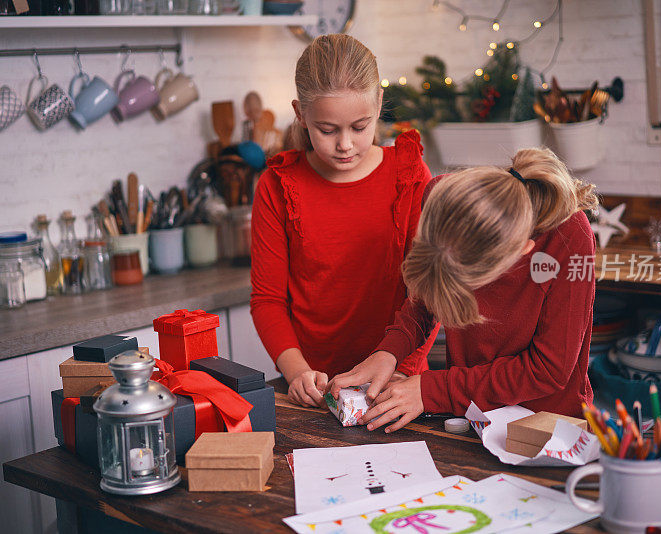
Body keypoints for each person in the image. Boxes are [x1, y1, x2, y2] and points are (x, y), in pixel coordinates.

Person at [328, 147, 599, 432]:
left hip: (545, 426)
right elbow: (427, 297)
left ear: (521, 252)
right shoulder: (443, 197)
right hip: (471, 415)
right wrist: (389, 352)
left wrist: (433, 390)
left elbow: (547, 370)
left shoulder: (570, 237)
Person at [250, 34, 437, 408]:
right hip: (316, 391)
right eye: (327, 130)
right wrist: (296, 372)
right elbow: (267, 300)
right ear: (300, 113)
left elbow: (431, 287)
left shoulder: (410, 173)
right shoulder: (277, 186)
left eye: (359, 126)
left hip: (398, 382)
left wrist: (403, 366)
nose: (346, 144)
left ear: (379, 104)